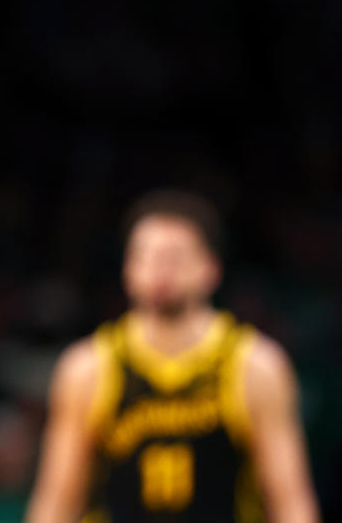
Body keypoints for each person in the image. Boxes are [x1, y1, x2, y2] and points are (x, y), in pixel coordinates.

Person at [25, 190, 320, 523]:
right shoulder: (87, 367)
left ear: (211, 268)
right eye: (147, 256)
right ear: (128, 269)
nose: (160, 271)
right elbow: (56, 502)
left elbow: (291, 502)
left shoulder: (256, 365)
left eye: (175, 257)